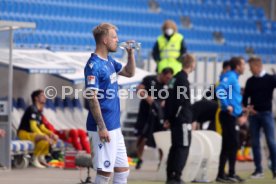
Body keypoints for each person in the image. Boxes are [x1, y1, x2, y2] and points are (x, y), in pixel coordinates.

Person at [84, 23, 135, 184]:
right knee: (104, 173)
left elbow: (129, 72)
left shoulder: (110, 61)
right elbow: (92, 98)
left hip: (114, 126)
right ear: (105, 40)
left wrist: (130, 54)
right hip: (103, 127)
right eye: (114, 37)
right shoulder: (93, 66)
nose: (117, 40)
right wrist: (101, 127)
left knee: (122, 171)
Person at [163, 54, 196, 184]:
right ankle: (176, 176)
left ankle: (170, 175)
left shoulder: (175, 78)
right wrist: (178, 117)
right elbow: (180, 101)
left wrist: (168, 117)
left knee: (176, 147)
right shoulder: (182, 80)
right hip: (181, 120)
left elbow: (169, 99)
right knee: (183, 146)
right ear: (192, 64)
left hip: (175, 119)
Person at [215, 57, 248, 183]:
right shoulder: (230, 76)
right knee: (232, 144)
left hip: (232, 116)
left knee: (228, 145)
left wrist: (240, 110)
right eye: (243, 64)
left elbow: (231, 96)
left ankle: (222, 174)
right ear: (238, 66)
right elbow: (219, 89)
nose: (244, 67)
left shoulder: (233, 77)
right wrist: (225, 105)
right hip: (227, 115)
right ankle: (230, 173)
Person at [243, 57, 276, 179]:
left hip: (267, 114)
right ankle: (258, 170)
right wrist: (248, 108)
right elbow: (245, 98)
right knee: (255, 143)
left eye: (251, 68)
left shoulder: (270, 79)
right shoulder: (250, 81)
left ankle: (275, 168)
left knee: (271, 142)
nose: (250, 70)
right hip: (254, 116)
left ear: (258, 66)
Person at [134, 67, 173, 170]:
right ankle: (139, 159)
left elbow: (169, 99)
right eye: (167, 77)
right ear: (162, 74)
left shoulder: (168, 86)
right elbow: (138, 90)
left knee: (161, 138)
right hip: (145, 114)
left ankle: (162, 162)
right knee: (141, 137)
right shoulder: (149, 79)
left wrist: (164, 102)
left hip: (159, 116)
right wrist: (147, 98)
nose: (168, 80)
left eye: (170, 78)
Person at [17, 90, 58, 169]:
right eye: (42, 96)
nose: (44, 97)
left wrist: (51, 134)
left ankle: (40, 157)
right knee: (45, 138)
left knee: (47, 139)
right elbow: (33, 127)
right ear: (36, 98)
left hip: (34, 134)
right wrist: (43, 135)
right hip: (24, 133)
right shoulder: (32, 109)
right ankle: (34, 158)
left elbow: (42, 127)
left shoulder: (39, 111)